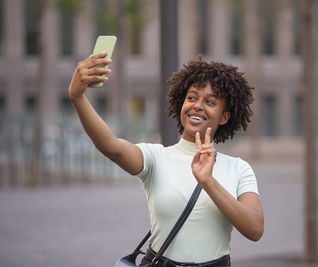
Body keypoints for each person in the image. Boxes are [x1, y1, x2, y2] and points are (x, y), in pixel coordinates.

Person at [68, 52, 264, 266]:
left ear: (224, 117)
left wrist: (208, 181)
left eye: (210, 101)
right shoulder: (156, 158)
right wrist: (78, 97)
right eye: (192, 97)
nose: (197, 105)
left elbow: (254, 229)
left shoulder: (238, 168)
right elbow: (112, 147)